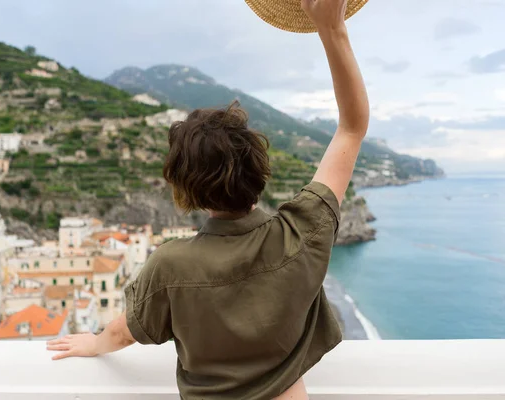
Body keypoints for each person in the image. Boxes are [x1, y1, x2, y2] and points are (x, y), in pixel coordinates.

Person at [47, 0, 369, 398]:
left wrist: (93, 344)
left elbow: (124, 331)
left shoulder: (171, 265)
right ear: (259, 169)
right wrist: (331, 28)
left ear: (189, 192)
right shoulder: (300, 235)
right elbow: (352, 128)